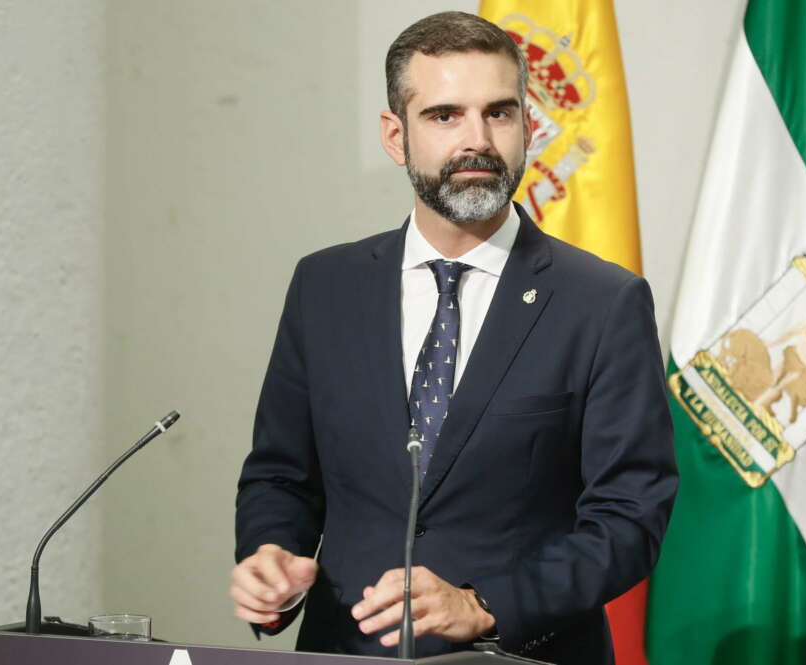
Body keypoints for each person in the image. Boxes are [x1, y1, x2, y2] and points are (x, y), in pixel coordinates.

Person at [230, 11, 677, 664]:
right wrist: (273, 554)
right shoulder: (325, 286)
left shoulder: (603, 302)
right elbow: (280, 477)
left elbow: (629, 518)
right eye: (445, 116)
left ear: (527, 124)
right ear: (396, 135)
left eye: (499, 113)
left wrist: (485, 602)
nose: (478, 140)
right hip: (345, 651)